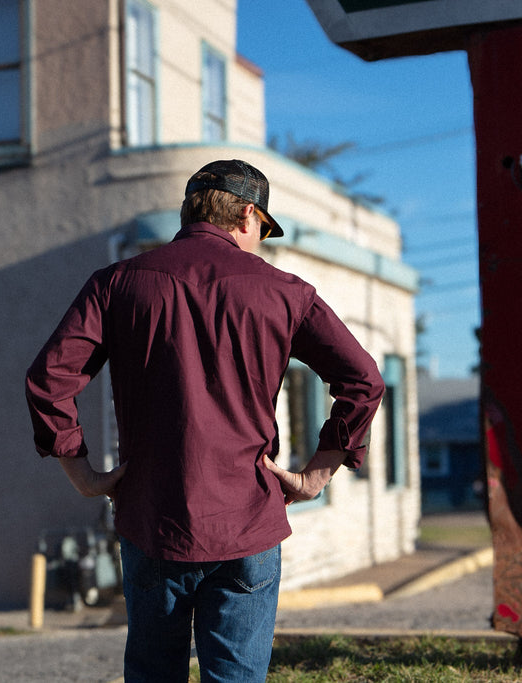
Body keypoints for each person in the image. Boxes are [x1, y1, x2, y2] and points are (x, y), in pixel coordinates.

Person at [25, 159, 385, 682]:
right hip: (247, 520)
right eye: (263, 229)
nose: (261, 240)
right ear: (245, 214)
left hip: (153, 519)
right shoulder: (286, 292)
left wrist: (81, 474)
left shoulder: (118, 283)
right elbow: (364, 380)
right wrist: (316, 475)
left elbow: (49, 377)